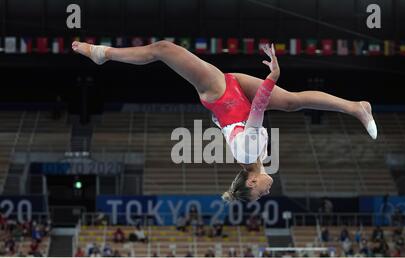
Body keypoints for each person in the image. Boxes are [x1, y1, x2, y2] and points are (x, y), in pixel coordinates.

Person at [73, 40, 377, 203]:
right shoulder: (254, 158)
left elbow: (258, 111)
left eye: (259, 194)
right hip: (235, 98)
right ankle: (357, 108)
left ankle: (103, 53)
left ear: (251, 182)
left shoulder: (248, 156)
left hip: (220, 93)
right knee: (291, 102)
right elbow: (241, 122)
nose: (266, 193)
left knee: (163, 50)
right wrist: (224, 122)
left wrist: (272, 77)